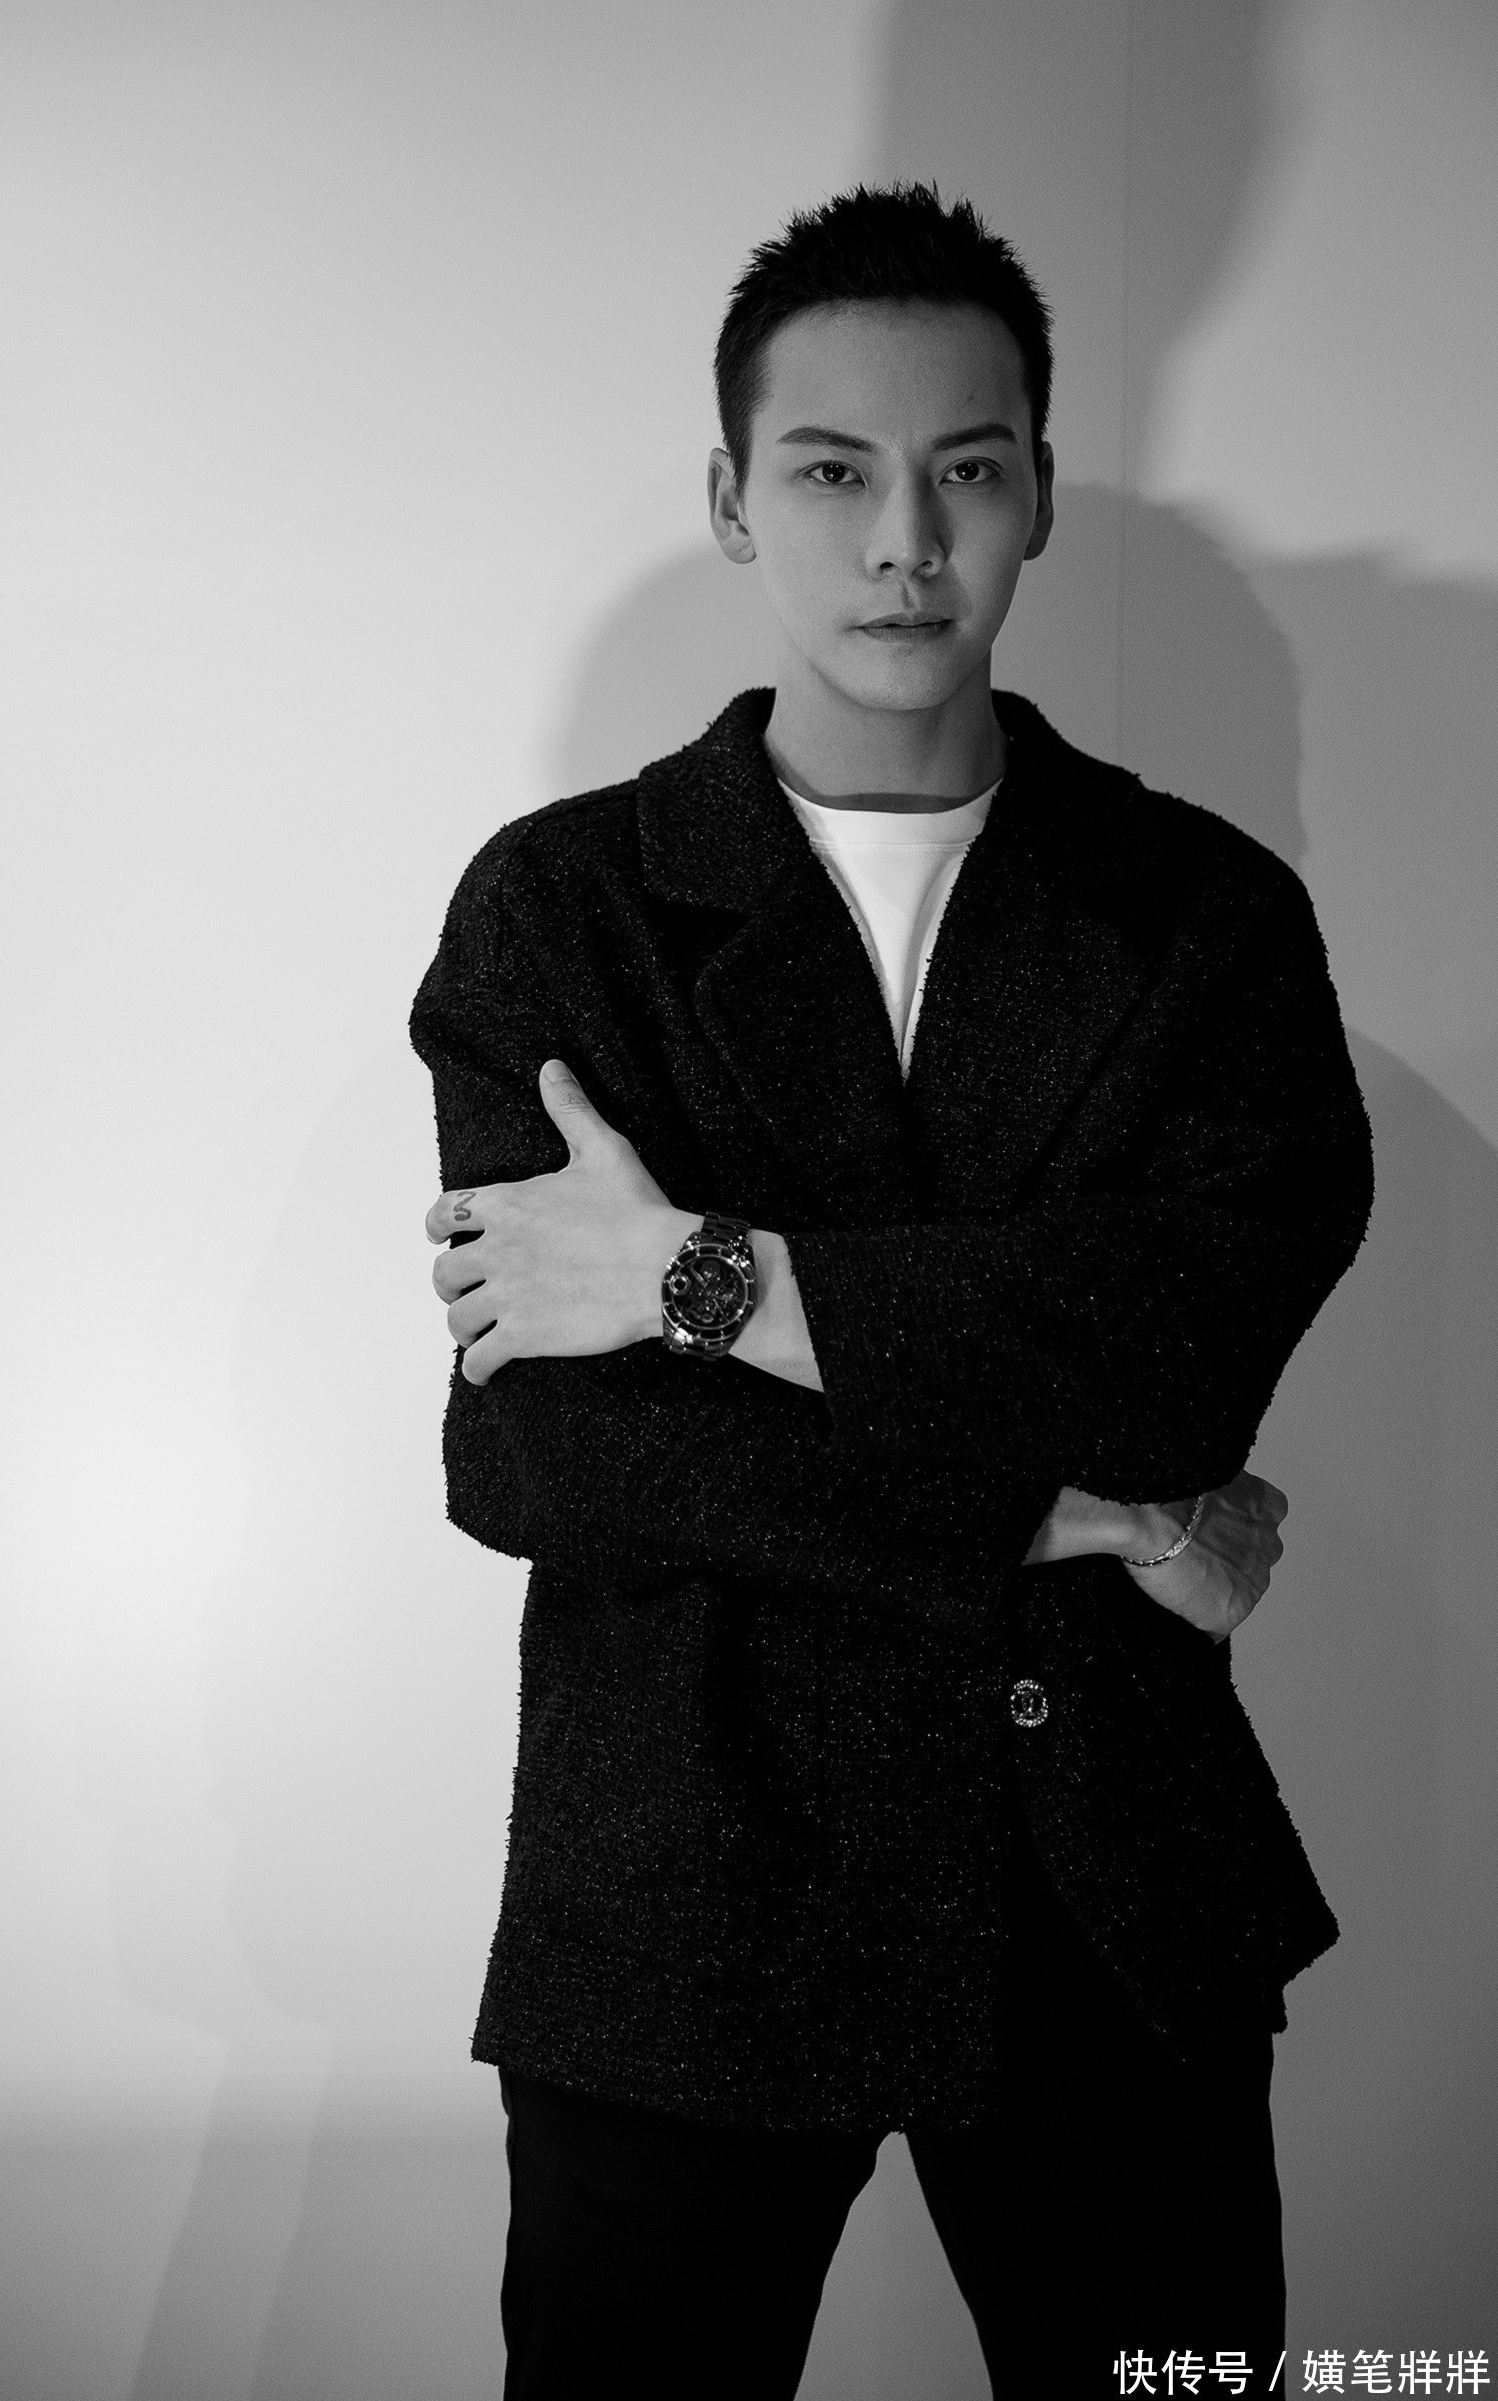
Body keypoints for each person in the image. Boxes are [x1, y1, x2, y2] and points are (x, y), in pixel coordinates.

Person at [411, 184, 1373, 2401]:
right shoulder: (566, 908)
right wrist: (1074, 1510)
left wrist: (696, 1276)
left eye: (967, 469)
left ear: (1036, 490)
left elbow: (1176, 1346)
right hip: (686, 1867)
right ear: (731, 497)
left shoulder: (1202, 913)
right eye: (834, 471)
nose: (904, 543)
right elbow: (540, 1451)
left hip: (1105, 1870)